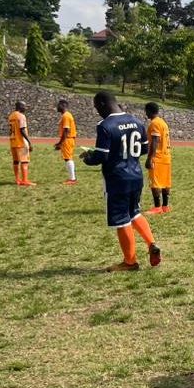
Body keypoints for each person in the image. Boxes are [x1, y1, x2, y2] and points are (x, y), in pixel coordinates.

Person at [80, 91, 161, 272]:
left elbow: (101, 156)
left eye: (96, 107)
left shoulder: (105, 125)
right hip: (136, 176)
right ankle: (151, 244)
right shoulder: (137, 121)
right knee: (134, 212)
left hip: (117, 179)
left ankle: (130, 262)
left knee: (121, 221)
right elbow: (144, 149)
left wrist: (88, 157)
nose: (97, 111)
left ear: (102, 104)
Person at [144, 102, 173, 213]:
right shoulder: (163, 122)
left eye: (146, 111)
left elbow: (155, 142)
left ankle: (157, 207)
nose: (145, 113)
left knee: (155, 182)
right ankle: (165, 206)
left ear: (150, 111)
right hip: (166, 156)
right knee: (166, 182)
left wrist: (149, 158)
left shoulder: (154, 123)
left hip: (158, 157)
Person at [8, 101, 35, 186]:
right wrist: (29, 141)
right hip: (21, 142)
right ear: (20, 106)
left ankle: (17, 179)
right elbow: (22, 129)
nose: (25, 108)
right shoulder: (21, 116)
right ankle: (25, 180)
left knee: (15, 161)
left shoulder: (11, 116)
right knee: (24, 161)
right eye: (24, 106)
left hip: (13, 141)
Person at [54, 99, 77, 185]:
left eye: (58, 105)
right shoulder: (66, 115)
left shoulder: (66, 116)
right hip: (68, 139)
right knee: (67, 158)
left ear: (63, 106)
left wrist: (60, 143)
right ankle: (72, 178)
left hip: (68, 139)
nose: (57, 107)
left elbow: (66, 130)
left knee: (68, 158)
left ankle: (72, 179)